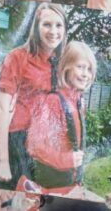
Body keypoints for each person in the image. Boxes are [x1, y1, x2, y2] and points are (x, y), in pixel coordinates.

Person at [0, 3, 68, 189]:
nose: (53, 31)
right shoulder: (17, 57)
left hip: (47, 141)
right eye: (47, 24)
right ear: (36, 27)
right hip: (18, 139)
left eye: (59, 25)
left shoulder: (63, 62)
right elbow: (2, 109)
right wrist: (3, 160)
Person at [23, 41, 95, 194]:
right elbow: (34, 145)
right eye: (80, 67)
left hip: (73, 184)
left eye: (89, 69)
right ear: (66, 68)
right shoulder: (53, 101)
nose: (85, 74)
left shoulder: (78, 101)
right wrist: (66, 160)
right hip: (53, 187)